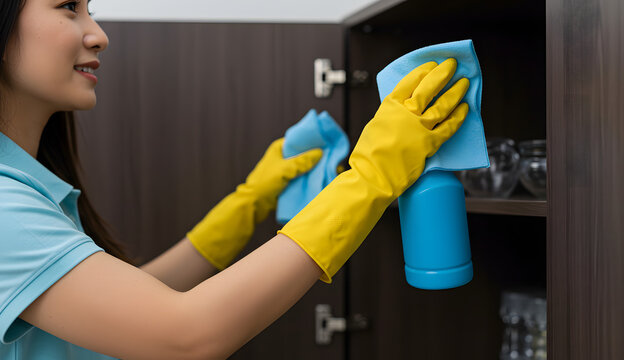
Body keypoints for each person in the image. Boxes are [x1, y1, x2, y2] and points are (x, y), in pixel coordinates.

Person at [0, 0, 470, 359]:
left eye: (91, 10)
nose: (98, 35)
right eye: (67, 7)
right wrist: (371, 177)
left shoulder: (25, 191)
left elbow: (120, 309)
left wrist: (246, 204)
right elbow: (186, 337)